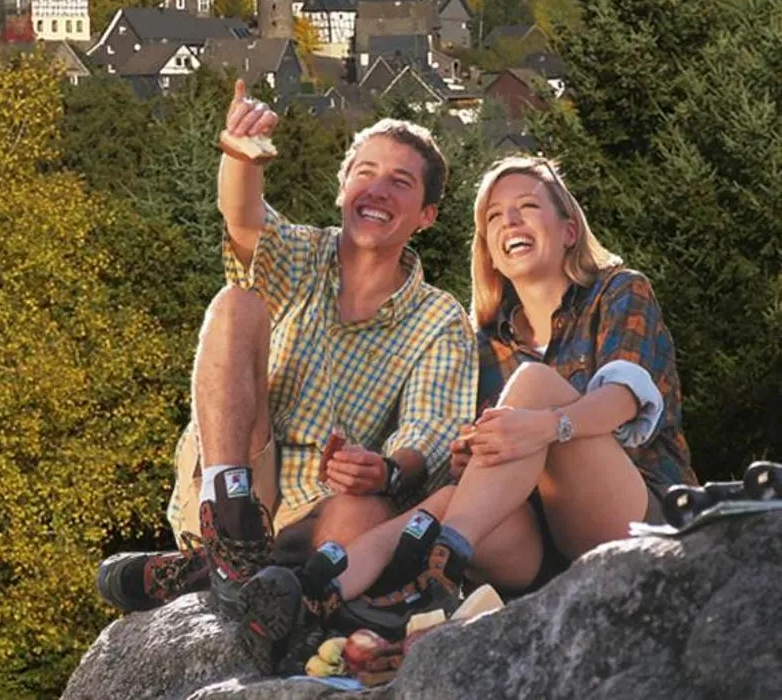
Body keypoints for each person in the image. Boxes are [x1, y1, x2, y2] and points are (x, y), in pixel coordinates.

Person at [234, 155, 696, 669]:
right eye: (495, 217)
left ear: (568, 231)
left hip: (633, 518)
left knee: (536, 387)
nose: (511, 223)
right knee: (436, 503)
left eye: (526, 208)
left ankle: (442, 563)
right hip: (538, 552)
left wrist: (543, 425)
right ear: (489, 253)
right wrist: (470, 455)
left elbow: (623, 400)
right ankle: (314, 593)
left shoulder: (619, 291)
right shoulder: (483, 346)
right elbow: (485, 465)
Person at [98, 82, 478, 638]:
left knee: (370, 515)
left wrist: (388, 467)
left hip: (324, 509)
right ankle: (228, 531)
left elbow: (433, 423)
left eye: (401, 182)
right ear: (343, 187)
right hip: (245, 470)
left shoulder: (439, 318)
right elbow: (244, 217)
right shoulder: (300, 253)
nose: (378, 190)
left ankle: (216, 573)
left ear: (426, 215)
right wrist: (238, 153)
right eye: (365, 173)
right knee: (234, 305)